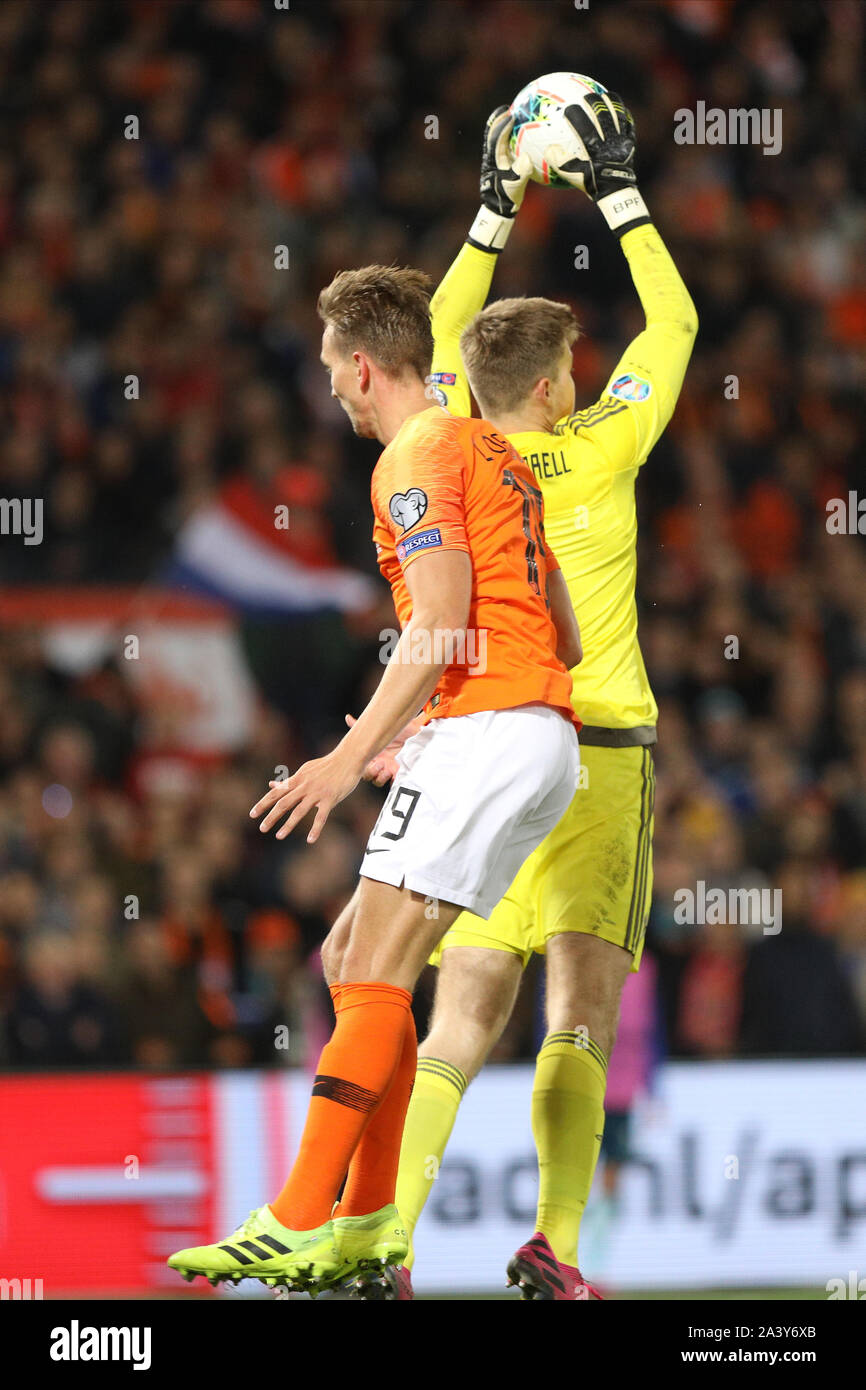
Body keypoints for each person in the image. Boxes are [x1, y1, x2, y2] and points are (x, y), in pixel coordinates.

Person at [168, 261, 582, 1291]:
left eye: (328, 368)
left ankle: (299, 1213)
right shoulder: (489, 447)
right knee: (353, 951)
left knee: (375, 964)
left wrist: (346, 758)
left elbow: (439, 621)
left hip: (492, 731)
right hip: (525, 732)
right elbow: (558, 632)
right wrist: (433, 722)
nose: (329, 389)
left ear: (361, 367)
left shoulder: (411, 453)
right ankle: (363, 1222)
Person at [372, 91, 697, 1299]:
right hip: (598, 752)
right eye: (570, 362)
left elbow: (440, 331)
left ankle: (389, 1239)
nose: (581, 371)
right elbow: (674, 317)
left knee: (459, 1014)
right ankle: (555, 1247)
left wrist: (494, 203)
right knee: (576, 1015)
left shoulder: (453, 441)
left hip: (487, 745)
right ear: (558, 385)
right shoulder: (605, 446)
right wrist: (616, 190)